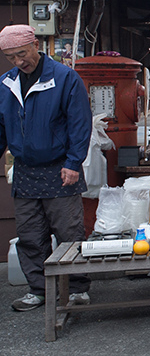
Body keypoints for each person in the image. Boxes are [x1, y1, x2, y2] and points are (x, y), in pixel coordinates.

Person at [0, 25, 92, 311]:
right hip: (26, 170)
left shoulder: (65, 78)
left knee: (69, 232)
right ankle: (39, 290)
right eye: (10, 57)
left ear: (36, 45)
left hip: (61, 168)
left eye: (22, 54)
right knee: (30, 234)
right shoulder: (6, 83)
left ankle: (76, 288)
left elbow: (80, 123)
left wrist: (74, 162)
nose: (18, 62)